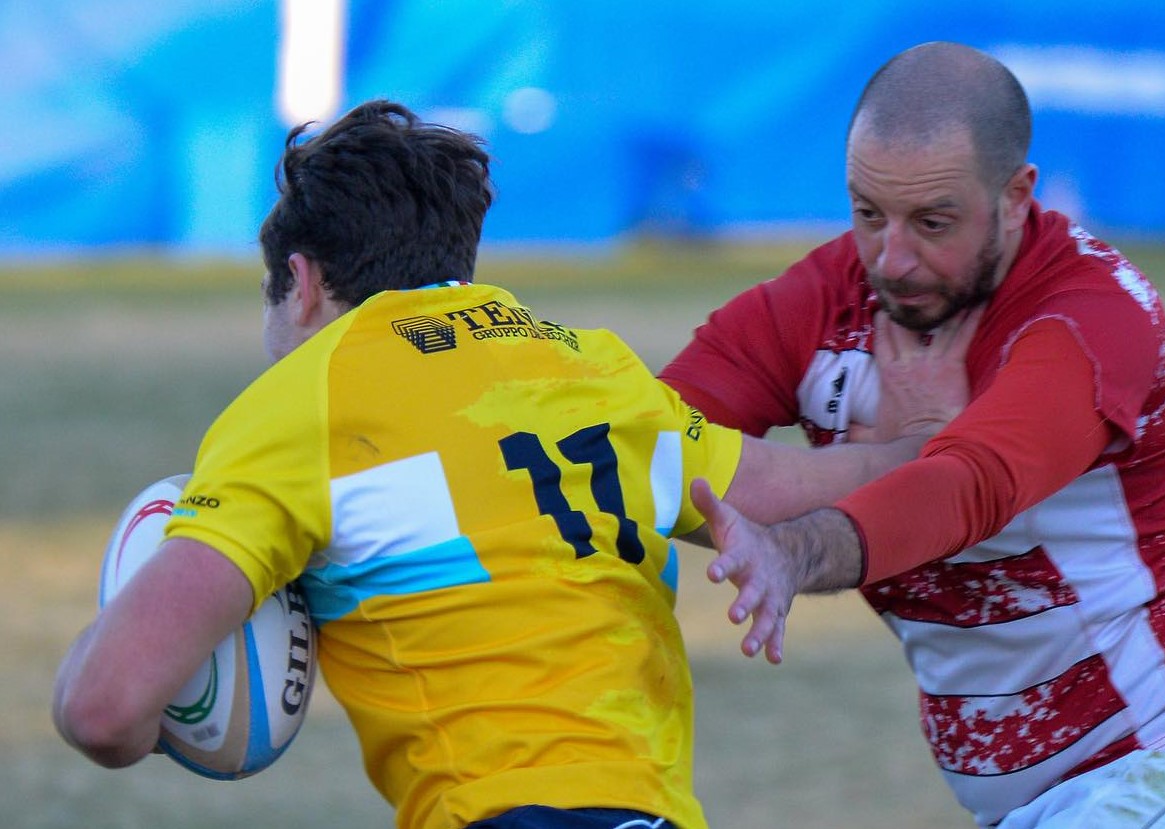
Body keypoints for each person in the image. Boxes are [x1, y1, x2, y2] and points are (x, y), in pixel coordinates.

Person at [51, 100, 972, 829]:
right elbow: (794, 490)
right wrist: (931, 431)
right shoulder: (588, 366)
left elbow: (104, 707)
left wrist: (156, 717)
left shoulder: (303, 401)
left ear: (299, 283)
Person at [661, 41, 1165, 829]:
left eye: (933, 221)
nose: (891, 259)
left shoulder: (1090, 314)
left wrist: (795, 548)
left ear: (1015, 195)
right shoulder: (829, 293)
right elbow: (652, 439)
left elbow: (968, 485)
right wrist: (896, 453)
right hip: (1040, 803)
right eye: (867, 213)